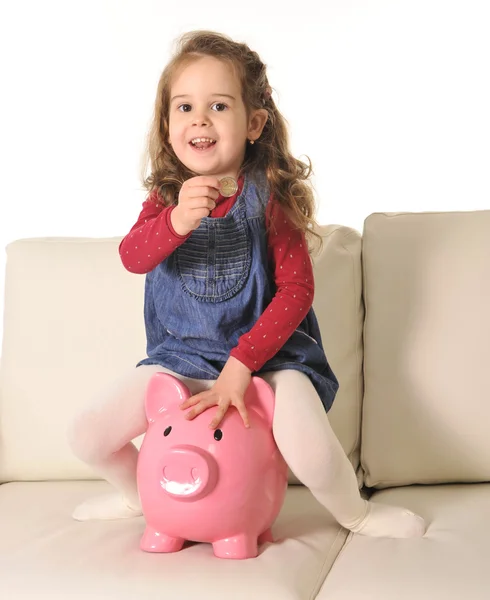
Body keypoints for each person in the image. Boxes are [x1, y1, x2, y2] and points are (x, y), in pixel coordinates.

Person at [68, 30, 425, 538]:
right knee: (86, 435)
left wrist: (242, 364)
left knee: (309, 445)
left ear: (254, 123)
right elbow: (132, 258)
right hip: (183, 358)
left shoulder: (269, 200)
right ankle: (138, 499)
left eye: (218, 105)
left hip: (271, 360)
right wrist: (173, 224)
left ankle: (357, 513)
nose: (199, 119)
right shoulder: (164, 200)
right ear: (168, 126)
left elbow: (297, 292)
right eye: (184, 107)